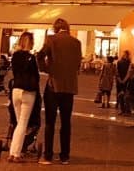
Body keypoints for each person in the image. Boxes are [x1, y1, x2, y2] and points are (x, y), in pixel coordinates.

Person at [37, 17, 82, 165]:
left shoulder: (51, 39)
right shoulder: (76, 43)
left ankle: (48, 156)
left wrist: (46, 69)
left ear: (55, 28)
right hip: (69, 87)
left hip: (53, 85)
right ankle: (65, 156)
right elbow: (78, 64)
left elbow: (39, 55)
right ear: (67, 28)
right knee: (66, 122)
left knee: (50, 122)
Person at [8, 31, 40, 162]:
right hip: (28, 92)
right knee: (23, 123)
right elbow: (36, 75)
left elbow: (15, 72)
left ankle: (13, 152)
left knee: (19, 124)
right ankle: (15, 154)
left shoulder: (15, 56)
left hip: (15, 90)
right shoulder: (31, 58)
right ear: (30, 43)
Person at [115, 50, 132, 115]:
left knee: (120, 94)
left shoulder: (119, 62)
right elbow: (128, 72)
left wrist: (120, 80)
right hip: (124, 81)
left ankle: (122, 108)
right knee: (123, 94)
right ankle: (123, 109)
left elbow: (117, 72)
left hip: (121, 81)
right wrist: (124, 80)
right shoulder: (128, 62)